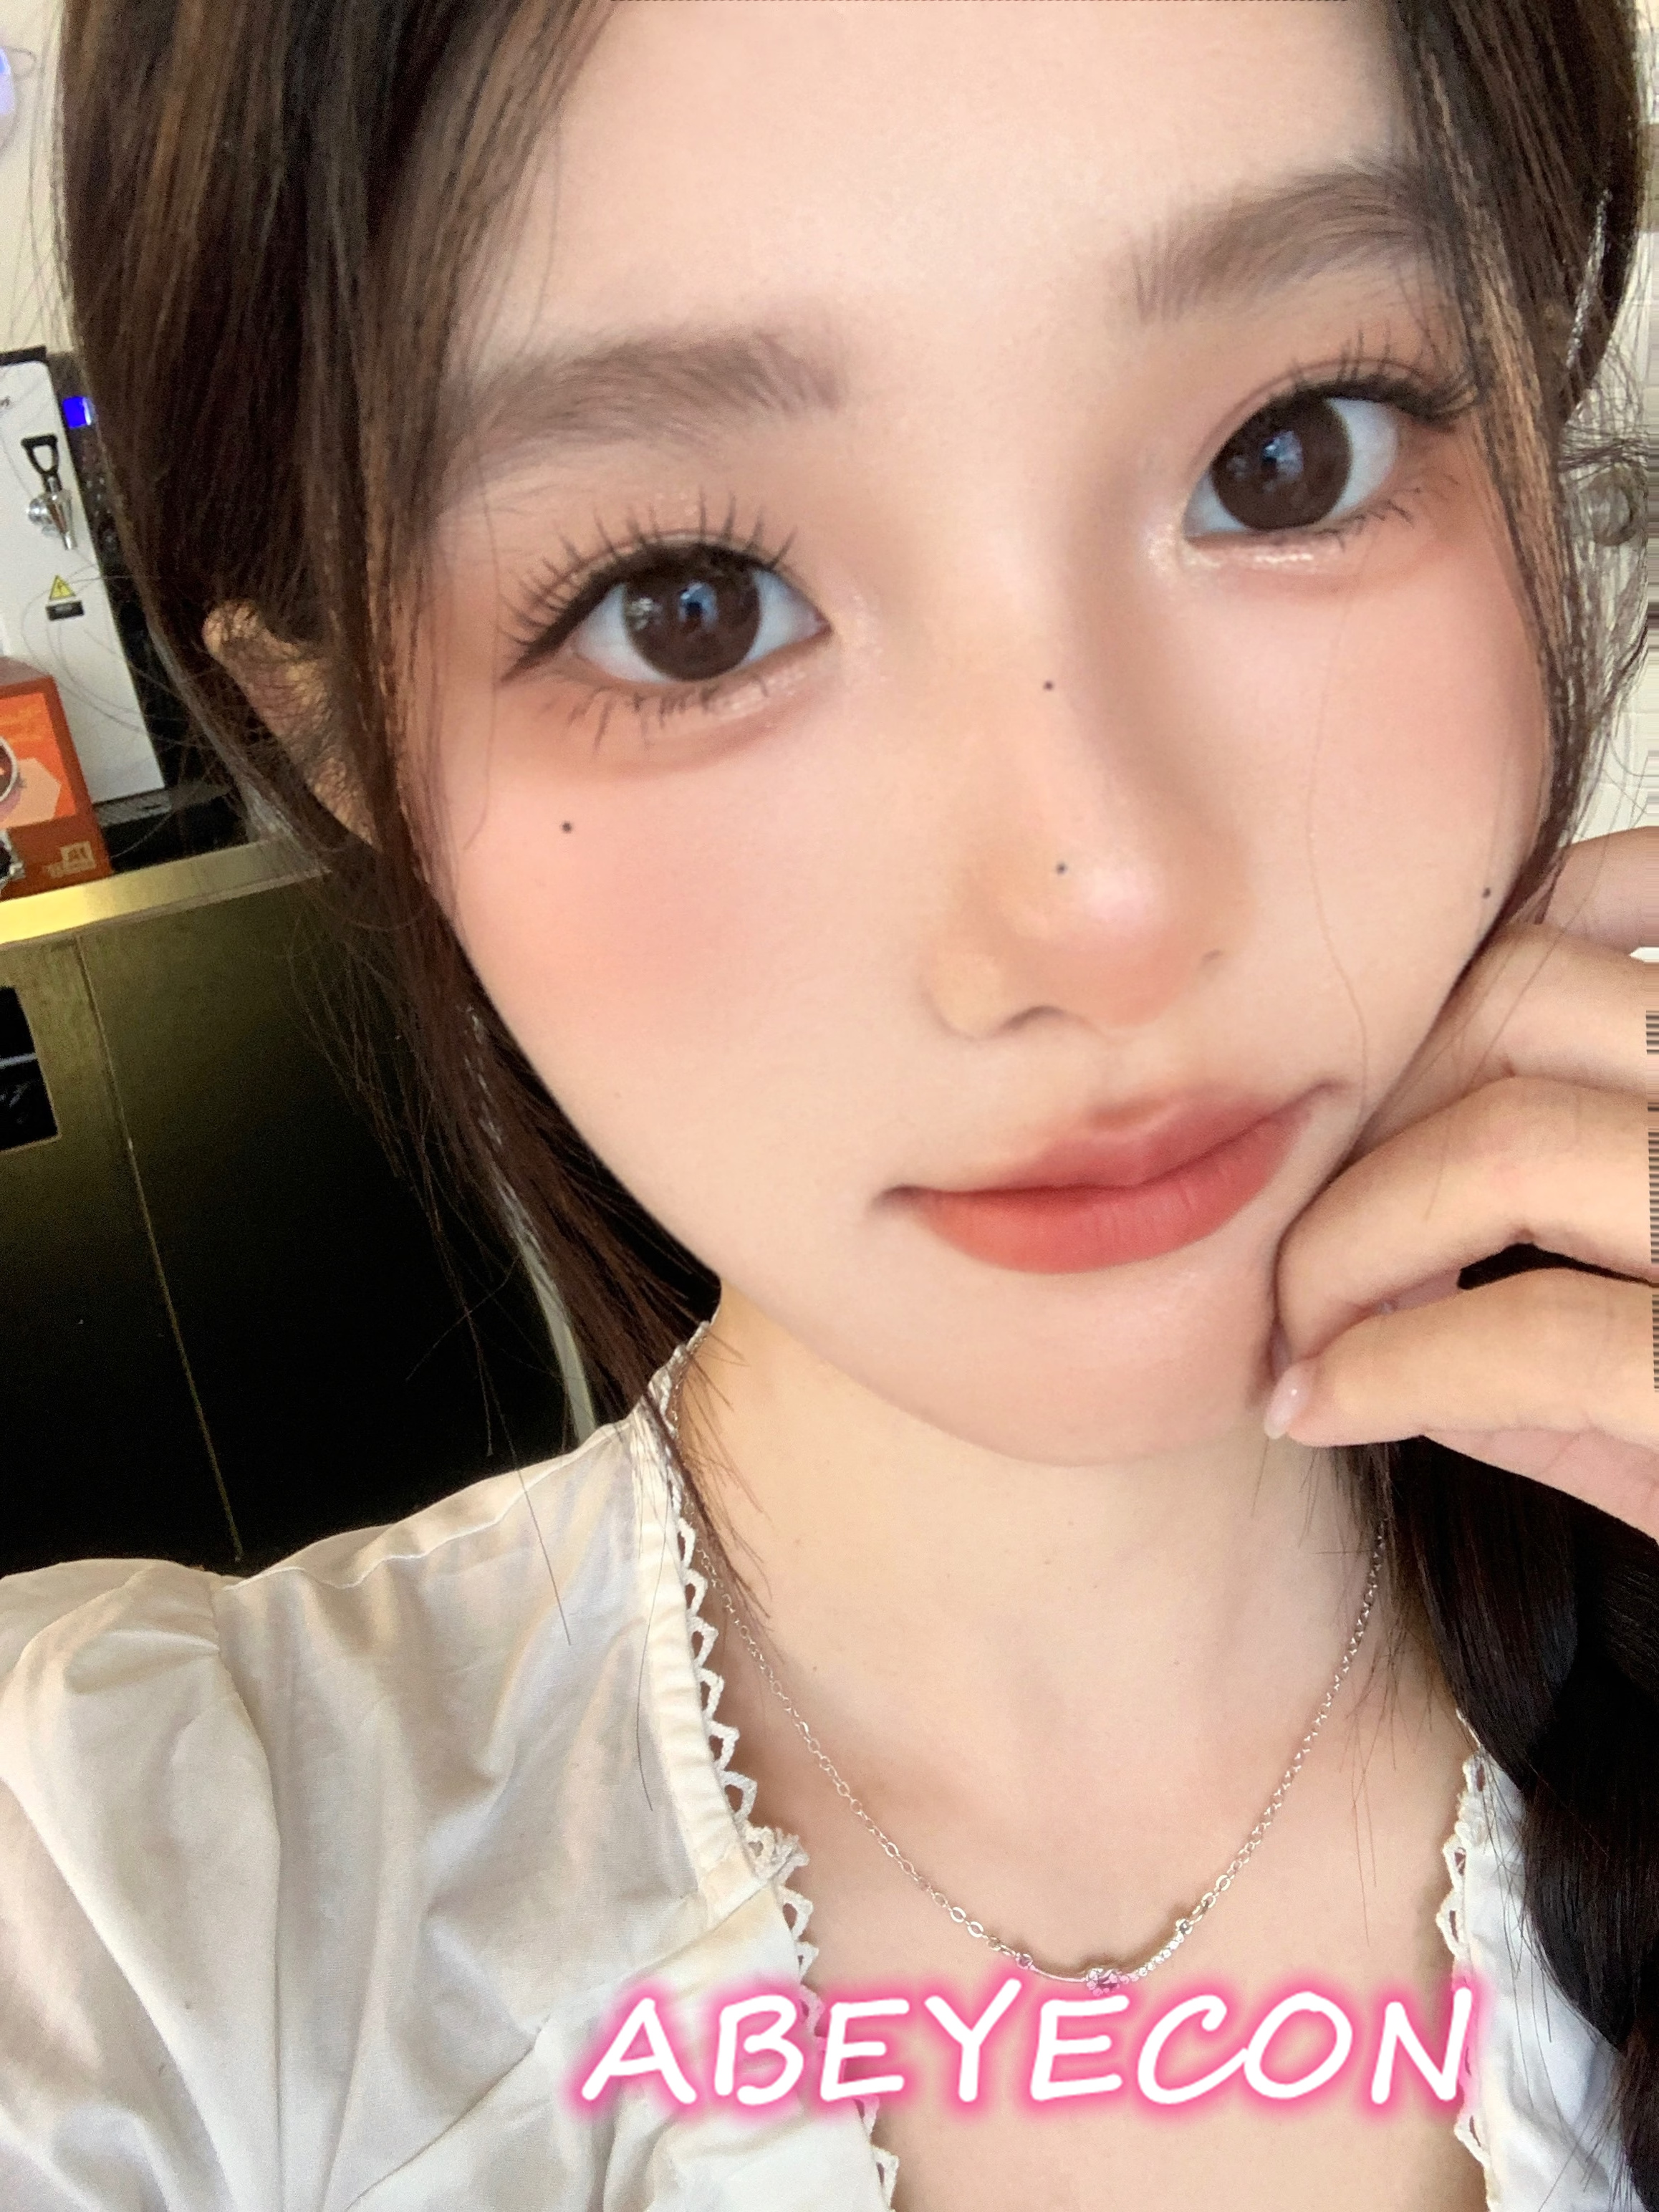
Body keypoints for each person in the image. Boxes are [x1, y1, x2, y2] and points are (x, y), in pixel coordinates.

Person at [2, 0, 1655, 2206]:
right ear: (340, 748)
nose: (1099, 902)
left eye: (1292, 454)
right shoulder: (134, 1916)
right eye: (685, 612)